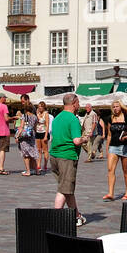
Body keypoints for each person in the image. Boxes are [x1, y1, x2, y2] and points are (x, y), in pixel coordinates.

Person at [49, 93, 86, 227]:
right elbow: (76, 141)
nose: (79, 105)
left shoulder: (57, 118)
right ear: (74, 103)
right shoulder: (73, 119)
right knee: (64, 189)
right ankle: (56, 218)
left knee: (66, 187)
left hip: (54, 156)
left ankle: (76, 216)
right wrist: (85, 138)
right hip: (67, 157)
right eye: (78, 102)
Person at [102, 101, 127, 201]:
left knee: (126, 170)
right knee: (110, 169)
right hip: (113, 146)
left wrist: (125, 137)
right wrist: (107, 149)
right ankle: (111, 193)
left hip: (125, 146)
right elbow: (109, 135)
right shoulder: (110, 118)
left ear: (121, 107)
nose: (115, 108)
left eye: (117, 106)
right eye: (113, 107)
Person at [15, 106, 39, 176]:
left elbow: (22, 127)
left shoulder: (24, 116)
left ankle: (28, 171)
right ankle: (37, 170)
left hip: (24, 137)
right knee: (32, 154)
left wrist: (17, 136)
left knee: (26, 155)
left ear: (25, 109)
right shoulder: (34, 116)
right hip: (32, 136)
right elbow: (35, 127)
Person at [33, 102, 50, 174]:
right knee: (38, 150)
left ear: (44, 107)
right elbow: (34, 123)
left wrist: (46, 135)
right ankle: (38, 165)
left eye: (41, 107)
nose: (40, 108)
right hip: (37, 132)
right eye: (39, 106)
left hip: (44, 133)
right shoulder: (36, 114)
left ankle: (45, 165)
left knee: (45, 150)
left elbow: (47, 125)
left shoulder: (46, 114)